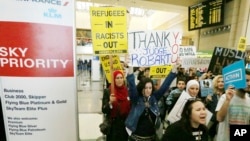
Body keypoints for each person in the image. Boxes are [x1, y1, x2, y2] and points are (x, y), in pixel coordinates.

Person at [125, 64, 178, 141]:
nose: (148, 90)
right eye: (145, 88)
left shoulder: (154, 97)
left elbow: (164, 86)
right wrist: (130, 67)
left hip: (152, 138)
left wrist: (173, 70)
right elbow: (132, 87)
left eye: (150, 88)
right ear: (141, 87)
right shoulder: (136, 99)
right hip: (136, 138)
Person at [215, 69, 250, 141]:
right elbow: (219, 118)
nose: (249, 83)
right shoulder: (225, 97)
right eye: (246, 80)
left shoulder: (249, 100)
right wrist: (227, 100)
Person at [101, 70, 131, 141]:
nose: (120, 80)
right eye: (117, 78)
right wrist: (110, 102)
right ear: (114, 79)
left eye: (121, 78)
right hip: (113, 127)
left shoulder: (127, 92)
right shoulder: (108, 91)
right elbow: (104, 109)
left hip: (125, 125)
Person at [205, 75, 224, 140]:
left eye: (222, 81)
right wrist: (206, 100)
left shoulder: (228, 94)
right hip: (210, 121)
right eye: (218, 81)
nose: (221, 83)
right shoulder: (210, 93)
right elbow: (204, 106)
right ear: (216, 83)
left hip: (221, 122)